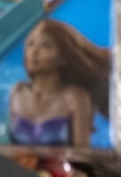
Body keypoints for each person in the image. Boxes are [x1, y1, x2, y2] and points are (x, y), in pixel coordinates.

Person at [7, 19, 110, 149]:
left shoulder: (75, 98)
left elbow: (83, 155)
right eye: (30, 44)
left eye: (46, 46)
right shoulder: (18, 92)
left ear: (63, 57)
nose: (34, 52)